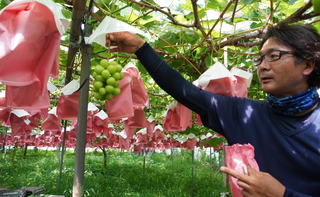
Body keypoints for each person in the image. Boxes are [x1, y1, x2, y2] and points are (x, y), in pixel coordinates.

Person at [105, 23, 320, 197]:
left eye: (274, 56)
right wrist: (141, 48)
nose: (263, 66)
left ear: (308, 65)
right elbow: (185, 91)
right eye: (260, 58)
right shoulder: (244, 114)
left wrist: (281, 194)